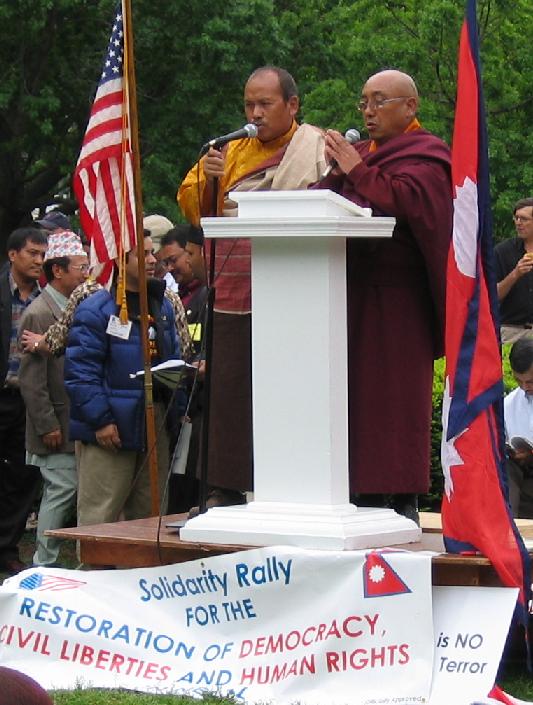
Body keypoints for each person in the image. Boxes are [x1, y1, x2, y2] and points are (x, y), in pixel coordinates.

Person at [178, 65, 326, 508]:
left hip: (295, 290)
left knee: (294, 389)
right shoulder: (229, 151)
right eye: (249, 105)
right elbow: (196, 212)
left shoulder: (315, 148)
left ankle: (300, 486)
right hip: (235, 288)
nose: (255, 113)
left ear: (292, 105)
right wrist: (210, 179)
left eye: (265, 104)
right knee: (229, 391)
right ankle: (224, 488)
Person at [317, 69, 453, 522]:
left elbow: (410, 202)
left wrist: (357, 171)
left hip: (398, 298)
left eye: (379, 101)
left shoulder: (428, 154)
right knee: (353, 397)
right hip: (348, 290)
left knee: (395, 398)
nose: (368, 112)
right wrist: (336, 172)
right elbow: (322, 200)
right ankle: (357, 492)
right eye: (364, 102)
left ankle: (400, 495)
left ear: (410, 106)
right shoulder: (359, 155)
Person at [64, 237, 184, 527]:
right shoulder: (96, 310)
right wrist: (101, 420)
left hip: (154, 422)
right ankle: (96, 560)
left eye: (152, 253)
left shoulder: (162, 306)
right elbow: (81, 371)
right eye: (142, 254)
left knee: (151, 515)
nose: (153, 260)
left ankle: (143, 559)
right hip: (111, 428)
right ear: (120, 260)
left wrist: (176, 411)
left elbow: (173, 358)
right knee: (100, 514)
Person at [18, 231, 89, 567]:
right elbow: (31, 380)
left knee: (65, 490)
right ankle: (43, 562)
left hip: (73, 420)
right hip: (56, 423)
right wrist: (46, 423)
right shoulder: (39, 312)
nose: (86, 274)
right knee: (62, 490)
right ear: (57, 270)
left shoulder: (74, 306)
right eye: (80, 267)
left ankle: (49, 560)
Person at [0, 227, 48, 574]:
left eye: (43, 255)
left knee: (22, 476)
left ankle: (6, 548)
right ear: (12, 254)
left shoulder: (46, 299)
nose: (39, 260)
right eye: (32, 253)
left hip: (28, 400)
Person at [494, 197, 533, 343]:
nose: (518, 223)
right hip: (511, 331)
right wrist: (516, 274)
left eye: (524, 219)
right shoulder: (502, 251)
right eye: (516, 218)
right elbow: (493, 296)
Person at [504, 338, 533, 518]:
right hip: (524, 475)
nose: (524, 387)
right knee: (505, 465)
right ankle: (508, 524)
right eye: (518, 380)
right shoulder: (509, 404)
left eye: (530, 381)